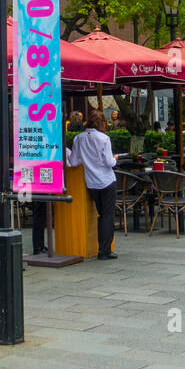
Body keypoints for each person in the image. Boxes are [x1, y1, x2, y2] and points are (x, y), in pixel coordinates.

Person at [65, 110, 118, 260]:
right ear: (101, 123)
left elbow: (74, 162)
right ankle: (105, 250)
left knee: (102, 214)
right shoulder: (104, 138)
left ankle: (102, 249)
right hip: (107, 180)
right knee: (107, 215)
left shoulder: (78, 138)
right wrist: (115, 159)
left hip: (91, 182)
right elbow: (109, 162)